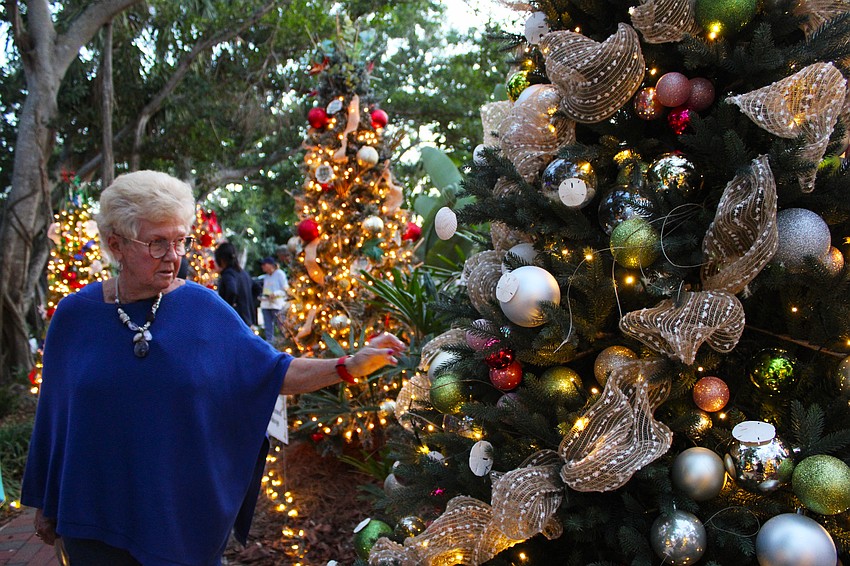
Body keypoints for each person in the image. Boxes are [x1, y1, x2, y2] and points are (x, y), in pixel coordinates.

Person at [22, 170, 405, 566]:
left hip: (175, 524)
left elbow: (273, 372)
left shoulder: (204, 311)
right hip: (92, 520)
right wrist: (44, 498)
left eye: (180, 241)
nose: (174, 257)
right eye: (157, 243)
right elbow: (53, 412)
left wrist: (348, 364)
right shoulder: (74, 316)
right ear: (116, 244)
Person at [214, 242, 255, 326]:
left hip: (235, 320)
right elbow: (256, 288)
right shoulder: (243, 273)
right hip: (247, 318)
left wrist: (229, 307)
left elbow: (232, 290)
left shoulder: (228, 274)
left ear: (221, 259)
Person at [259, 257, 288, 342]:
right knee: (268, 327)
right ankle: (270, 342)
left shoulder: (280, 274)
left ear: (271, 265)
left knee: (281, 325)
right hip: (266, 304)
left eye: (264, 264)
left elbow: (285, 289)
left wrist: (275, 294)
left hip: (277, 304)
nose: (262, 267)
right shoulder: (266, 277)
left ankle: (284, 341)